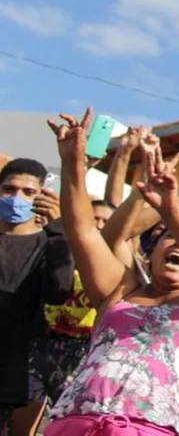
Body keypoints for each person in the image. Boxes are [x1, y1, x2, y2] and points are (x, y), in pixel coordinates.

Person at [45, 110, 179, 435]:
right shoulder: (122, 292)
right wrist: (73, 163)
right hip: (75, 422)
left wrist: (173, 210)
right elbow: (84, 233)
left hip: (148, 428)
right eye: (168, 236)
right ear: (151, 251)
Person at [12, 200, 116, 436]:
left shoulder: (112, 265)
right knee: (19, 426)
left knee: (67, 427)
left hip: (82, 353)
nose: (99, 225)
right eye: (95, 218)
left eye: (106, 221)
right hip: (41, 344)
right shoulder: (58, 250)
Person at [0, 158, 73, 435]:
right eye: (9, 189)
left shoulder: (48, 243)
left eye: (28, 192)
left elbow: (59, 291)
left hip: (7, 370)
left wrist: (59, 228)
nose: (17, 197)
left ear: (41, 196)